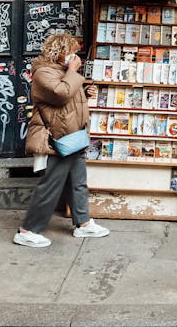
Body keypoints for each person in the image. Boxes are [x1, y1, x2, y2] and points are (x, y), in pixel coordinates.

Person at [13, 32, 109, 248]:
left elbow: (70, 95)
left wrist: (85, 90)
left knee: (78, 182)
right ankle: (27, 230)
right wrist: (74, 72)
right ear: (59, 51)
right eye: (71, 51)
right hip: (57, 137)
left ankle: (83, 223)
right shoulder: (42, 72)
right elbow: (61, 93)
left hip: (72, 135)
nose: (74, 56)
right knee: (51, 185)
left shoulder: (62, 71)